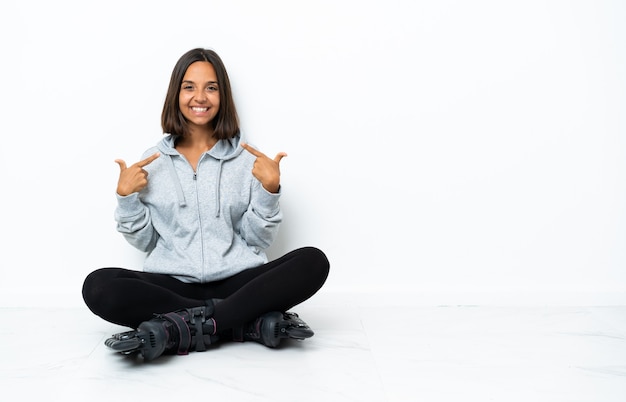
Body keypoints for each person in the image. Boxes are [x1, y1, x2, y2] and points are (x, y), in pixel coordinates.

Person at [82, 48, 330, 361]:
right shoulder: (154, 162)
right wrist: (126, 198)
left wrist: (269, 189)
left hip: (238, 283)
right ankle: (242, 323)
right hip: (174, 287)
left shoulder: (248, 161)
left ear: (222, 95)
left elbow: (257, 241)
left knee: (313, 261)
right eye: (190, 87)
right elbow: (146, 242)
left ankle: (184, 327)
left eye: (211, 87)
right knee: (99, 286)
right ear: (176, 94)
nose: (200, 97)